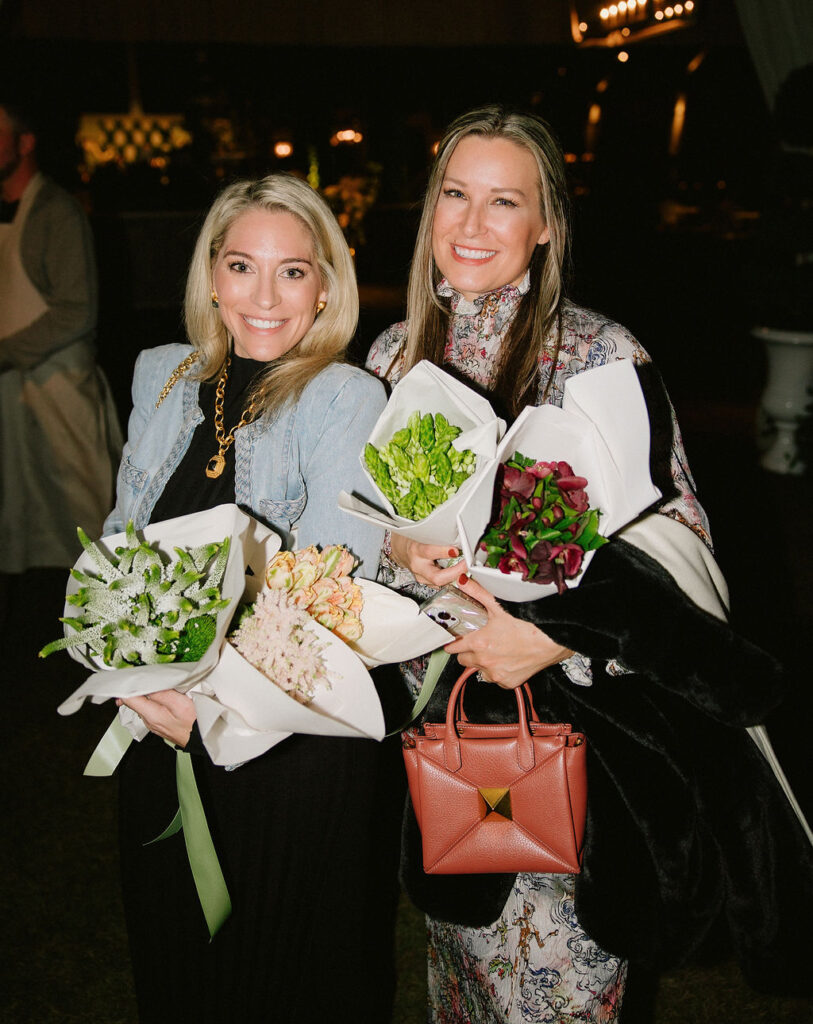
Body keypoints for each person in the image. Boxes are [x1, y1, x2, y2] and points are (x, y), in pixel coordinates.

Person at [367, 105, 813, 1022]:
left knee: (559, 997)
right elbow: (357, 551)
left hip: (581, 754)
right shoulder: (387, 357)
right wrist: (395, 546)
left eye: (504, 202)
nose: (472, 224)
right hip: (448, 743)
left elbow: (677, 553)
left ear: (545, 226)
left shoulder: (600, 355)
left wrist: (550, 642)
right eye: (455, 194)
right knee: (465, 985)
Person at [104, 174, 399, 1023]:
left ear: (327, 285)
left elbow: (332, 591)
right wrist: (127, 670)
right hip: (158, 726)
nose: (263, 297)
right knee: (177, 966)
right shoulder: (161, 375)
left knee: (278, 979)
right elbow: (120, 541)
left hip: (287, 744)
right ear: (210, 274)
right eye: (240, 265)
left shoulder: (343, 396)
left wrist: (216, 706)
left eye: (293, 271)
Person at [0, 100, 122, 575]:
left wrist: (5, 353)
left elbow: (77, 311)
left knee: (84, 520)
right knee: (20, 520)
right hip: (14, 389)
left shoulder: (57, 212)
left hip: (59, 385)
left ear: (24, 144)